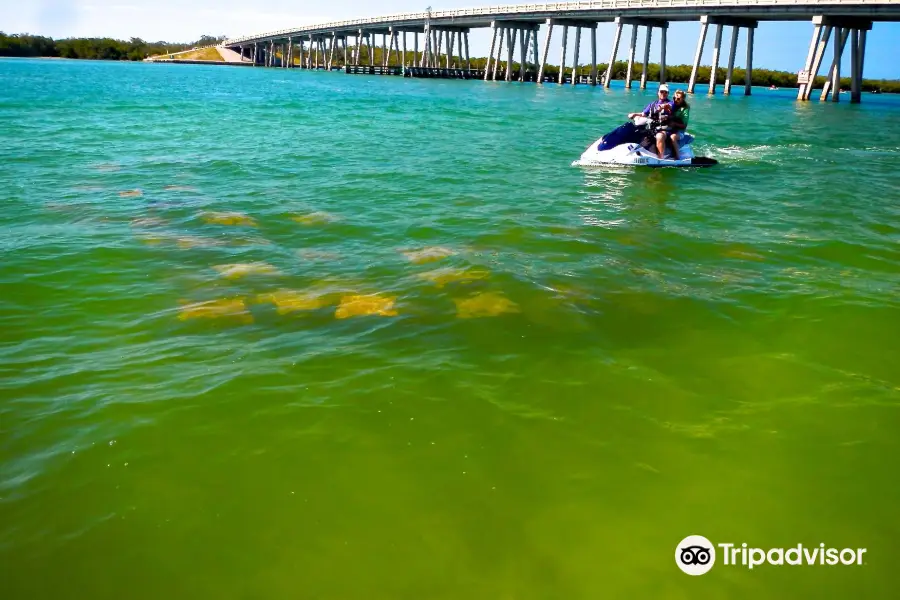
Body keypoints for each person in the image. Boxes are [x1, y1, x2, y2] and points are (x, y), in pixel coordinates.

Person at [628, 83, 674, 158]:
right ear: (658, 92)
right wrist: (634, 114)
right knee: (636, 132)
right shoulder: (652, 104)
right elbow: (644, 114)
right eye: (662, 91)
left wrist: (663, 107)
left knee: (659, 136)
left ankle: (660, 158)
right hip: (653, 128)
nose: (663, 94)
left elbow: (669, 106)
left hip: (666, 129)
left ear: (668, 93)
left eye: (666, 92)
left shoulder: (671, 103)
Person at [666, 89, 690, 160]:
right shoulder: (672, 104)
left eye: (678, 99)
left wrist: (674, 124)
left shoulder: (685, 109)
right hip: (670, 127)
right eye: (674, 98)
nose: (676, 100)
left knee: (673, 137)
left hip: (679, 131)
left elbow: (684, 125)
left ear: (683, 99)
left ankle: (677, 157)